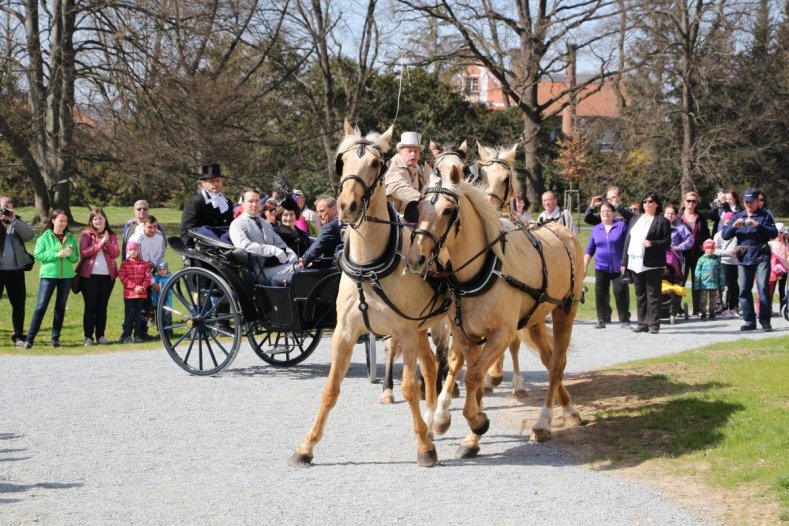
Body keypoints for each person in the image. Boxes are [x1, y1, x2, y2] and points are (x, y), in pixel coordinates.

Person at [721, 188, 778, 331]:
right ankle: (749, 321)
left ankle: (765, 321)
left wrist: (757, 225)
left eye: (751, 202)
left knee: (763, 288)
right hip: (744, 256)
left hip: (761, 255)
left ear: (758, 202)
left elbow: (774, 233)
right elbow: (725, 235)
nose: (748, 204)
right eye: (746, 202)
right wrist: (733, 226)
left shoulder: (765, 216)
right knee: (744, 289)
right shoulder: (738, 216)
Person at [21, 209, 80, 349]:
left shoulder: (70, 237)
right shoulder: (44, 237)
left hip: (66, 277)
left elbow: (75, 258)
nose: (63, 223)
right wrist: (57, 254)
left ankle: (55, 339)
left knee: (60, 308)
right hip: (48, 276)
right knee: (41, 307)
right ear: (53, 221)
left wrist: (70, 254)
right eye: (61, 220)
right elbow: (39, 255)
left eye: (65, 221)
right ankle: (29, 339)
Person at [621, 192, 671, 334]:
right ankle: (642, 322)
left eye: (650, 201)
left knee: (653, 294)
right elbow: (627, 241)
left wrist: (652, 243)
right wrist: (624, 261)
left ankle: (654, 324)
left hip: (653, 263)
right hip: (635, 261)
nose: (647, 204)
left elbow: (667, 242)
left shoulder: (662, 221)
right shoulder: (635, 219)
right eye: (645, 201)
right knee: (640, 294)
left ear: (656, 204)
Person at [229, 188, 297, 285]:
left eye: (257, 201)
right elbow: (244, 246)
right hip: (257, 272)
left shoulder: (266, 223)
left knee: (301, 265)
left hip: (274, 265)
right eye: (250, 201)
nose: (254, 204)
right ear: (243, 204)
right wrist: (272, 250)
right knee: (299, 268)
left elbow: (280, 243)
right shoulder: (236, 224)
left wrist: (291, 254)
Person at [583, 201, 630, 329]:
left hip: (618, 267)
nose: (605, 213)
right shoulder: (596, 229)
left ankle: (624, 320)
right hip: (601, 267)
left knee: (620, 292)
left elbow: (628, 246)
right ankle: (601, 319)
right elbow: (589, 249)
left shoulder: (621, 226)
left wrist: (625, 262)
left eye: (608, 211)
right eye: (603, 211)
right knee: (600, 293)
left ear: (613, 213)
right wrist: (584, 265)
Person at [77, 209, 120, 346]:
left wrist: (107, 242)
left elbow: (115, 254)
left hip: (107, 277)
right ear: (91, 221)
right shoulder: (86, 234)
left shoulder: (111, 235)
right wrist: (100, 243)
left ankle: (100, 335)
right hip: (89, 277)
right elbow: (84, 252)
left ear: (105, 220)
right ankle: (88, 337)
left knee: (102, 307)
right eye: (95, 219)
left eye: (100, 218)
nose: (98, 221)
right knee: (90, 307)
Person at [0, 196, 35, 348]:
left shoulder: (17, 221)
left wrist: (14, 220)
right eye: (3, 206)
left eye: (8, 205)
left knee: (19, 304)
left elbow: (29, 236)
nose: (5, 208)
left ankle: (18, 336)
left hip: (16, 271)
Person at [180, 163, 234, 246]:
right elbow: (186, 232)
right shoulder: (196, 202)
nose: (216, 184)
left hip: (224, 247)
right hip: (202, 249)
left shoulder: (227, 202)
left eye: (218, 180)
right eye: (212, 181)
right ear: (204, 183)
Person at [679, 191, 710, 316]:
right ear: (684, 201)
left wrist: (705, 244)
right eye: (688, 201)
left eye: (694, 201)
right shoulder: (678, 217)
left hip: (698, 254)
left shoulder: (700, 217)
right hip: (682, 255)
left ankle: (697, 309)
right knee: (680, 281)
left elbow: (707, 235)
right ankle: (677, 307)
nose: (691, 203)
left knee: (697, 281)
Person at [134, 215, 166, 332]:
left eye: (155, 226)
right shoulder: (138, 238)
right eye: (149, 227)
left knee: (158, 300)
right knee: (143, 303)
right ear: (143, 226)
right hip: (140, 273)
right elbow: (139, 259)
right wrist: (151, 281)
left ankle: (163, 329)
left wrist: (155, 263)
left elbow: (162, 252)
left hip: (155, 268)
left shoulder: (159, 235)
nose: (153, 230)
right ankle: (141, 332)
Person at [119, 240, 152, 343]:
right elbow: (123, 277)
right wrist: (134, 287)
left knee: (139, 316)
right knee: (128, 316)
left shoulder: (144, 264)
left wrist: (142, 287)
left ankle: (137, 335)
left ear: (138, 251)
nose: (133, 251)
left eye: (135, 249)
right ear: (127, 251)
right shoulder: (124, 264)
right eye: (130, 249)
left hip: (141, 295)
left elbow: (148, 278)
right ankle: (126, 336)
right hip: (129, 295)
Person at [385, 131, 425, 214]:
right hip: (390, 216)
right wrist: (423, 201)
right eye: (409, 151)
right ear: (400, 152)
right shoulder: (393, 164)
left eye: (416, 151)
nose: (413, 154)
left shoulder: (419, 170)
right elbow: (397, 187)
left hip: (409, 217)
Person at [298, 195, 342, 270]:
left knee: (276, 280)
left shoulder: (330, 226)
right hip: (339, 267)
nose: (319, 215)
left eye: (322, 211)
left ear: (334, 210)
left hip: (329, 270)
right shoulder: (344, 223)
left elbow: (317, 246)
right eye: (317, 212)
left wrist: (304, 260)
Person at [714, 212, 739, 317]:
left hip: (736, 263)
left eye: (731, 222)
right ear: (723, 222)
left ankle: (733, 308)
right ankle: (724, 308)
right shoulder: (719, 235)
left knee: (734, 286)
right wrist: (725, 253)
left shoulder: (738, 234)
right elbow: (714, 250)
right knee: (725, 287)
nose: (729, 224)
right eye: (727, 222)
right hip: (724, 262)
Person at [694, 239, 726, 321]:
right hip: (703, 284)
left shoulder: (717, 260)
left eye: (711, 248)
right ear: (704, 249)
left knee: (713, 300)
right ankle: (703, 313)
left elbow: (721, 273)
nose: (709, 250)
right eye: (707, 248)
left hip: (714, 284)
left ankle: (712, 313)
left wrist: (722, 284)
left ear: (714, 249)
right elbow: (697, 273)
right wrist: (697, 284)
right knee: (703, 300)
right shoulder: (701, 259)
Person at [664, 203, 694, 282]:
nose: (669, 215)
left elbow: (690, 239)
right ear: (664, 214)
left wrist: (679, 247)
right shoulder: (658, 225)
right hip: (659, 260)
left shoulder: (680, 227)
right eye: (667, 213)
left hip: (674, 261)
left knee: (672, 285)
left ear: (676, 215)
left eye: (672, 213)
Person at [769, 223, 787, 314]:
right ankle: (769, 309)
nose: (779, 234)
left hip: (784, 270)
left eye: (781, 232)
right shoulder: (770, 243)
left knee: (782, 290)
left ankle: (782, 309)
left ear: (783, 233)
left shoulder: (786, 244)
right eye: (777, 232)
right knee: (770, 290)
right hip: (773, 270)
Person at [151, 261, 173, 336]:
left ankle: (169, 332)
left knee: (167, 318)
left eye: (164, 269)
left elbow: (170, 290)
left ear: (167, 270)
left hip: (167, 303)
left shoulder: (169, 279)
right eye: (159, 270)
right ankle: (161, 332)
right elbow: (152, 280)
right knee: (159, 318)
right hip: (158, 303)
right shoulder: (157, 278)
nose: (162, 271)